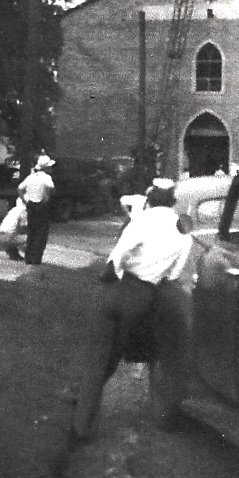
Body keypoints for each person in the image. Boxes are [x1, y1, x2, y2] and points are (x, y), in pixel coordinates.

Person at [72, 177, 193, 441]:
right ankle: (84, 406)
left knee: (100, 356)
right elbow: (173, 275)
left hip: (119, 287)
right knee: (122, 351)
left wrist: (113, 274)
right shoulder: (184, 231)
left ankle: (80, 423)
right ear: (172, 200)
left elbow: (119, 254)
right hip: (144, 297)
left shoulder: (142, 221)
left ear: (150, 198)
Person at [18, 154, 55, 265]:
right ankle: (36, 258)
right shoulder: (46, 177)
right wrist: (46, 196)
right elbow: (51, 188)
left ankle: (28, 257)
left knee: (32, 231)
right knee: (41, 232)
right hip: (41, 205)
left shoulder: (31, 176)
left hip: (31, 205)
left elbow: (20, 189)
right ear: (46, 167)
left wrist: (25, 200)